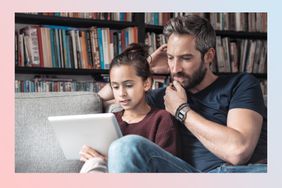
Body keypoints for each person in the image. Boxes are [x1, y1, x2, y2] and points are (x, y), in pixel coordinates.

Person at [99, 15, 267, 173]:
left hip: (239, 173)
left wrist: (181, 110)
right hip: (186, 175)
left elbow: (238, 151)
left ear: (209, 56)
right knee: (125, 147)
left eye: (186, 58)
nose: (175, 68)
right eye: (171, 58)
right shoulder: (165, 96)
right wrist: (144, 66)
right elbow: (101, 97)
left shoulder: (240, 84)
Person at [79, 43, 181, 173]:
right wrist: (89, 154)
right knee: (93, 163)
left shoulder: (162, 119)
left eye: (128, 85)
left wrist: (110, 160)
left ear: (147, 84)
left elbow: (166, 167)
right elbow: (93, 100)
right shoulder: (110, 121)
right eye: (115, 87)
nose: (121, 93)